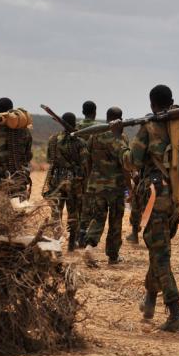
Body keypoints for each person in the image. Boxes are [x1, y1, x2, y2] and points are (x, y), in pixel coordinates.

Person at [111, 85, 179, 332]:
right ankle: (149, 300)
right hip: (178, 198)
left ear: (152, 104)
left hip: (156, 198)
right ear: (172, 101)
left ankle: (175, 313)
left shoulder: (149, 127)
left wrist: (118, 138)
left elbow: (131, 162)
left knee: (160, 254)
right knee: (158, 249)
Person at [82, 107, 129, 265]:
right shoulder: (120, 137)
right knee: (115, 221)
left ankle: (89, 246)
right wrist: (129, 187)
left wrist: (90, 179)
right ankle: (113, 255)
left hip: (97, 185)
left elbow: (87, 160)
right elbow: (125, 164)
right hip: (115, 187)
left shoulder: (95, 135)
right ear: (120, 119)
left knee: (98, 217)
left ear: (107, 117)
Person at [43, 112, 89, 252]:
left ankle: (55, 243)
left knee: (56, 213)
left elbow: (49, 159)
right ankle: (71, 245)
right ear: (74, 123)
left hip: (56, 180)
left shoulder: (53, 139)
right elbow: (85, 164)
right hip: (74, 182)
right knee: (74, 213)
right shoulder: (80, 141)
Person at [76, 100, 98, 247]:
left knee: (78, 203)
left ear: (83, 112)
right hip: (93, 171)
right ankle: (85, 233)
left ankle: (79, 232)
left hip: (77, 170)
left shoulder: (77, 127)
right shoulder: (98, 128)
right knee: (90, 204)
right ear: (95, 112)